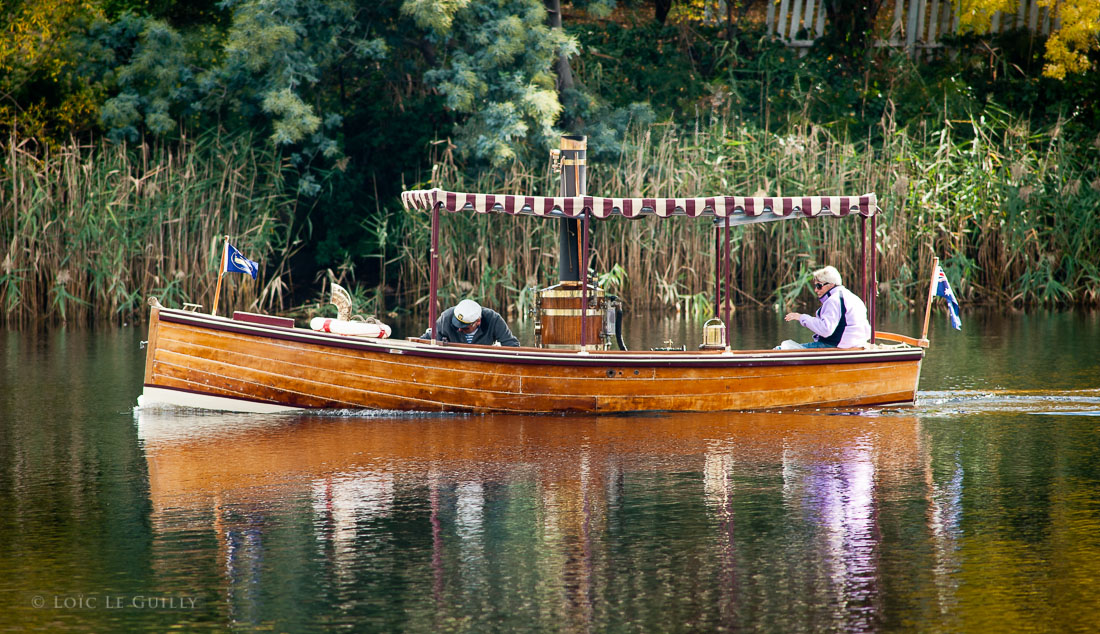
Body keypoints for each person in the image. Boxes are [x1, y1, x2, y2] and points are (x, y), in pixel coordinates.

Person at [779, 266, 871, 349]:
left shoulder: (834, 300)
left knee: (780, 350)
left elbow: (825, 330)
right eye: (815, 286)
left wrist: (801, 317)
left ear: (831, 285)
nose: (816, 290)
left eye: (819, 286)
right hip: (857, 345)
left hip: (837, 346)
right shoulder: (853, 297)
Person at [421, 298, 520, 346]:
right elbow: (424, 339)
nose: (459, 329)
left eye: (464, 327)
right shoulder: (446, 318)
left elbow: (511, 344)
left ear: (478, 321)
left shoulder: (494, 319)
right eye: (457, 324)